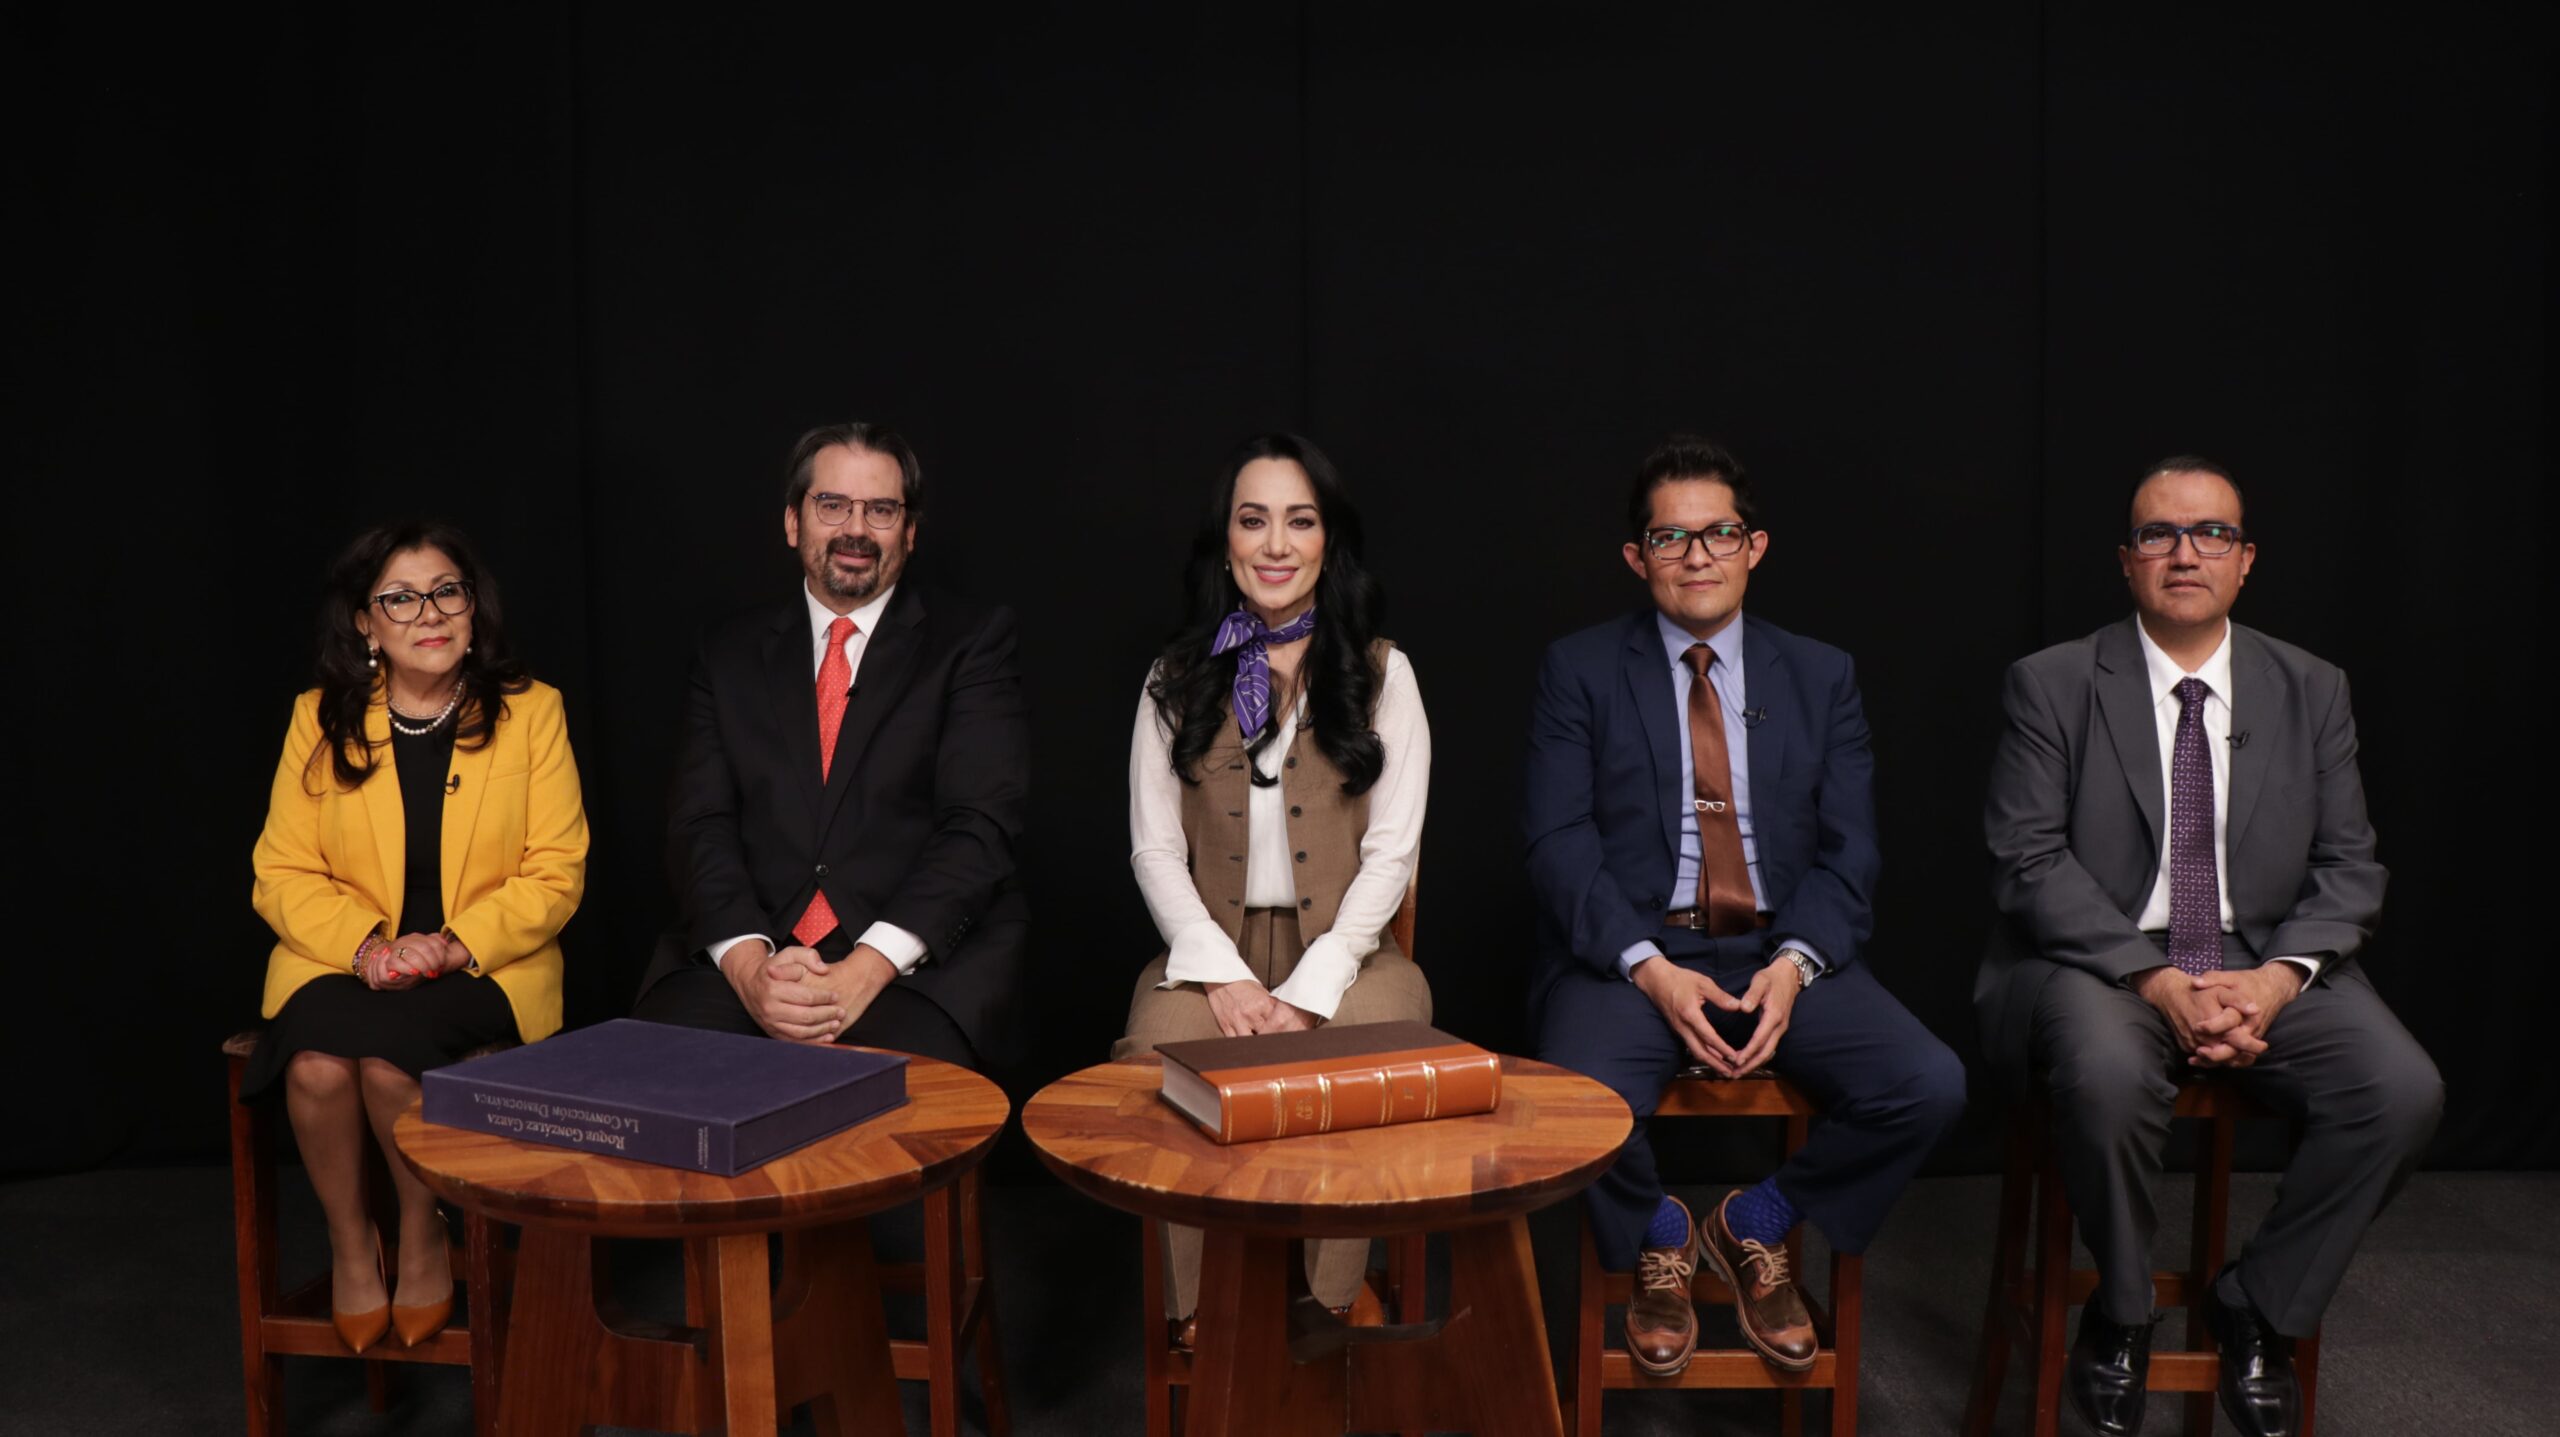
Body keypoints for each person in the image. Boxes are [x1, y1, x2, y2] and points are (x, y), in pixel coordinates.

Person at [1978, 457, 2440, 1437]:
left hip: (2263, 954)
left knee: (2400, 1090)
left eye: (2210, 534)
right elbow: (2027, 861)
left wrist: (2273, 981)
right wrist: (2156, 979)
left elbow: (2349, 865)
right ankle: (2121, 1313)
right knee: (2105, 1075)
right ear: (2127, 560)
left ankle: (2258, 1304)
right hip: (2103, 956)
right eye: (2159, 534)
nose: (2184, 553)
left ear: (2245, 559)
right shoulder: (2053, 682)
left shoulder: (2311, 686)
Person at [1524, 436, 1964, 1379]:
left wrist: (1795, 965)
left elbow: (1852, 851)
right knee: (1570, 1097)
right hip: (1636, 953)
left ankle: (1756, 1221)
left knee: (1928, 1082)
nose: (1697, 556)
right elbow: (1557, 844)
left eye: (1719, 533)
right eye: (1670, 537)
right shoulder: (1580, 669)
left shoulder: (1820, 673)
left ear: (1754, 547)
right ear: (1637, 556)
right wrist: (1649, 967)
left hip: (1780, 945)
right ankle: (1660, 1234)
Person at [1109, 433, 1432, 1347]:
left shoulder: (1383, 673)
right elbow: (1154, 850)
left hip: (1351, 952)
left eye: (1301, 521)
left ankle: (1322, 1309)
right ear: (1226, 543)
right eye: (1254, 521)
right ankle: (1200, 1317)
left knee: (1366, 1048)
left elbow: (1392, 855)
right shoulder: (1174, 679)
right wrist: (1221, 976)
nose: (1277, 544)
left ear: (1330, 540)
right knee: (1159, 1057)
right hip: (1211, 952)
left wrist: (1312, 988)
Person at [246, 520, 588, 1354]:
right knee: (317, 1066)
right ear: (366, 622)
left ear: (474, 607)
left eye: (446, 591)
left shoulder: (532, 711)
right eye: (400, 598)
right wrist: (370, 949)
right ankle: (351, 1242)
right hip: (345, 957)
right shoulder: (318, 718)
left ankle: (419, 1228)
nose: (428, 613)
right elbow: (281, 870)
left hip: (484, 962)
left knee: (388, 1063)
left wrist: (452, 944)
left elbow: (557, 872)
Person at [633, 421, 1028, 1073]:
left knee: (888, 1111)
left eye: (881, 510)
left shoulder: (972, 642)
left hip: (912, 969)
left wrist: (864, 969)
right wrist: (751, 970)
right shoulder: (727, 653)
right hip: (750, 954)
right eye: (833, 505)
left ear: (909, 531)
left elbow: (978, 827)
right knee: (658, 1087)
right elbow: (700, 824)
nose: (855, 529)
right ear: (793, 522)